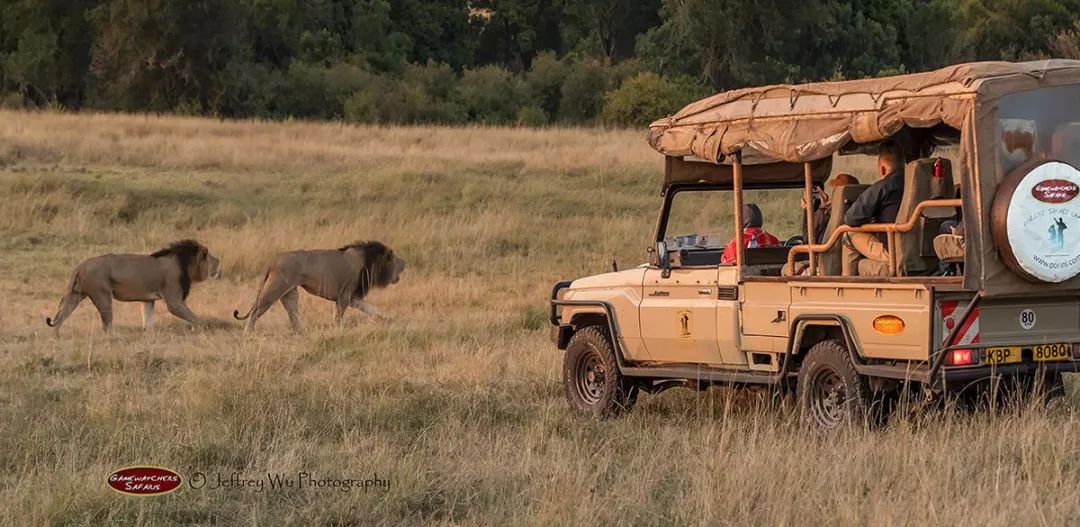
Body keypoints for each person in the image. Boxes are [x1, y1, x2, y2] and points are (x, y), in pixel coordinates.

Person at [843, 143, 905, 270]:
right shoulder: (915, 183)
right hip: (914, 249)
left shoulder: (883, 187)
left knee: (848, 234)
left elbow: (851, 218)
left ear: (882, 168)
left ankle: (848, 283)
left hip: (893, 251)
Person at [802, 173, 860, 244]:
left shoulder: (833, 214)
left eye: (835, 190)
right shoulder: (858, 212)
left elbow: (808, 239)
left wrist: (818, 210)